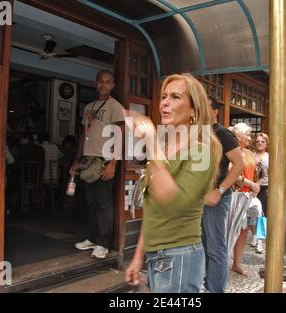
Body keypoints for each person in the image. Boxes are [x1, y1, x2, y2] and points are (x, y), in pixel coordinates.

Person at [125, 73, 222, 293]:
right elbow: (153, 209)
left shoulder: (202, 151)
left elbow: (174, 203)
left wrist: (150, 141)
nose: (165, 103)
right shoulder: (162, 149)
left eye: (176, 97)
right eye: (164, 96)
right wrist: (138, 257)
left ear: (193, 109)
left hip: (180, 256)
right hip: (155, 255)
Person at [70, 69, 124, 259]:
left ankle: (103, 243)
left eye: (108, 82)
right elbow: (84, 135)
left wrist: (113, 164)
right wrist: (77, 160)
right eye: (101, 81)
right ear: (96, 83)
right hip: (88, 160)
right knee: (91, 203)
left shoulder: (115, 106)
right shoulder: (89, 107)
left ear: (112, 86)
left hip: (104, 161)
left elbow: (119, 135)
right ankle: (92, 239)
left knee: (104, 204)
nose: (104, 85)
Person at [201, 97, 243, 293]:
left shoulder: (222, 133)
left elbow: (239, 164)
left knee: (215, 247)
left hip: (216, 198)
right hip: (198, 197)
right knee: (200, 244)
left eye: (205, 105)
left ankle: (215, 290)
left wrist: (219, 191)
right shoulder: (196, 132)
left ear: (215, 111)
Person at [227, 123, 262, 276]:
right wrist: (251, 184)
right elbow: (231, 172)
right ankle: (222, 263)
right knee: (230, 229)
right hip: (234, 194)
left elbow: (254, 172)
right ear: (238, 136)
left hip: (247, 196)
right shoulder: (230, 150)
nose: (250, 137)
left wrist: (254, 187)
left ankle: (237, 263)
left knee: (243, 230)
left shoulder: (248, 152)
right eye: (247, 135)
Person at [254, 133, 269, 216]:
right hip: (250, 188)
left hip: (264, 189)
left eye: (263, 141)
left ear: (266, 144)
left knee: (262, 214)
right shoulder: (249, 155)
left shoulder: (270, 157)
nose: (260, 143)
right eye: (258, 141)